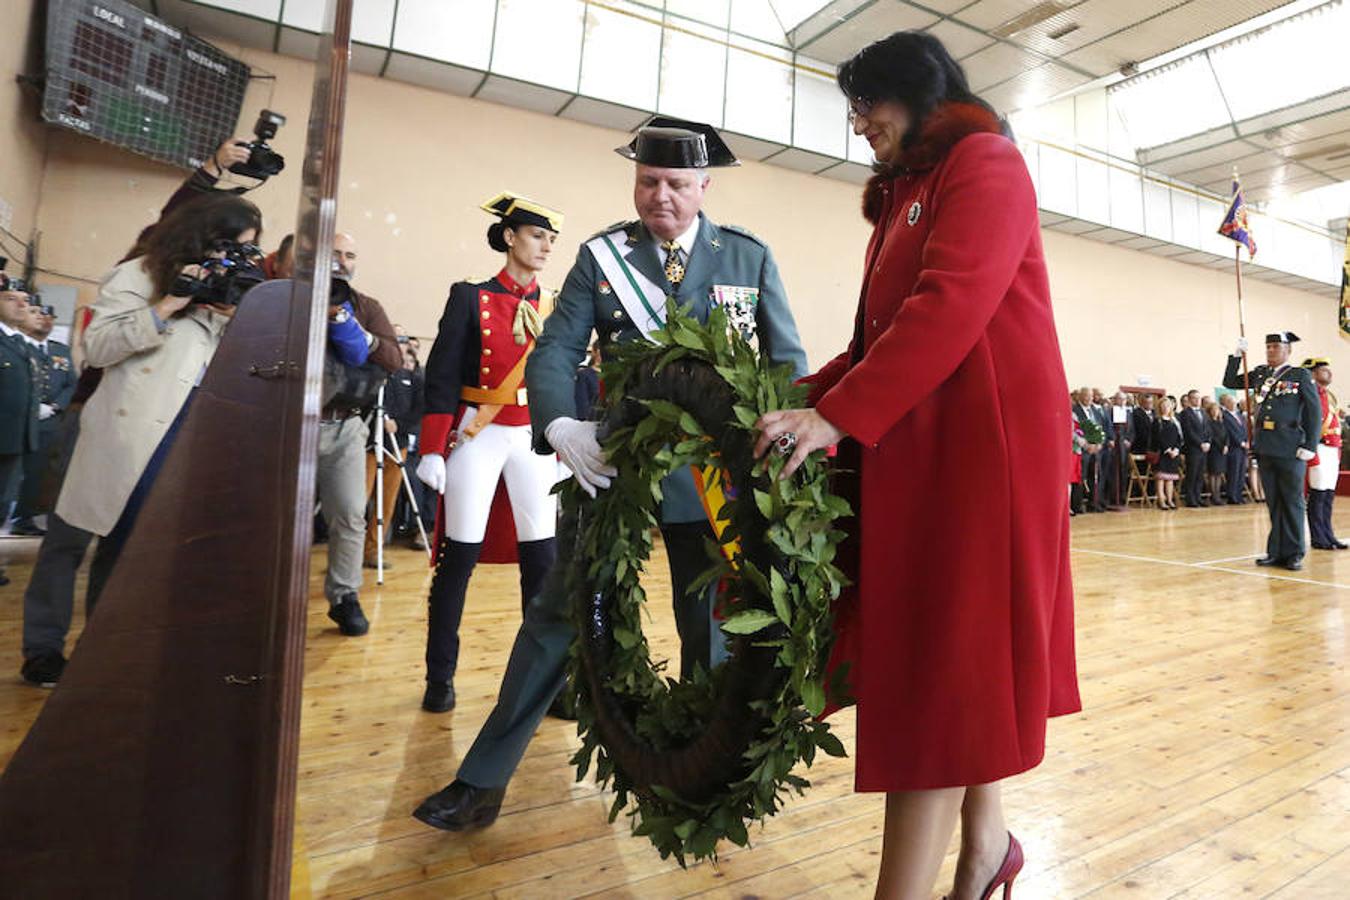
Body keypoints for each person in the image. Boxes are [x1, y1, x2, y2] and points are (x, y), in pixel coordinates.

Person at [750, 32, 1079, 899]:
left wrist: (836, 417)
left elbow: (950, 304)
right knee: (955, 672)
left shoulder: (986, 163)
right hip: (932, 446)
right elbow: (875, 342)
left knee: (939, 684)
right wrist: (794, 398)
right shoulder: (908, 192)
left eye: (869, 104)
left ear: (918, 93)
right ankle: (988, 849)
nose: (858, 124)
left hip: (984, 459)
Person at [412, 116, 808, 832]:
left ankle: (695, 772)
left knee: (709, 628)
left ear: (704, 187)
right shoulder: (602, 257)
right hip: (612, 467)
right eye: (649, 182)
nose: (662, 197)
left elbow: (786, 365)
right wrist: (561, 423)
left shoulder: (747, 258)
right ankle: (482, 780)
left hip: (712, 480)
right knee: (556, 613)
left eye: (678, 185)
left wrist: (779, 459)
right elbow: (556, 350)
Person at [45, 194, 261, 656]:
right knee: (88, 542)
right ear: (207, 237)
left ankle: (105, 656)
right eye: (233, 247)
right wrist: (166, 306)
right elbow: (98, 349)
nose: (233, 261)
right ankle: (58, 651)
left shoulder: (226, 296)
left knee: (137, 553)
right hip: (127, 432)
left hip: (187, 434)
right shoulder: (142, 274)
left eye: (246, 251)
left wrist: (234, 318)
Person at [412, 192, 566, 713]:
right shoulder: (467, 297)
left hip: (534, 439)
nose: (546, 246)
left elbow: (568, 376)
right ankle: (440, 677)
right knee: (458, 559)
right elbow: (441, 376)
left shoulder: (556, 305)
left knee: (543, 563)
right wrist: (433, 448)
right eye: (537, 235)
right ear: (509, 237)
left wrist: (570, 437)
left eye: (551, 239)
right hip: (477, 436)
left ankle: (543, 684)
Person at [315, 232, 403, 635]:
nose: (342, 261)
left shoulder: (367, 307)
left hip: (346, 423)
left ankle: (344, 596)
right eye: (334, 253)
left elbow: (393, 357)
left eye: (350, 254)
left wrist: (353, 329)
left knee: (351, 512)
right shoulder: (290, 298)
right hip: (288, 424)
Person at [1224, 332, 1320, 570]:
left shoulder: (1300, 375)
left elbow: (1313, 412)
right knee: (1274, 502)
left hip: (1291, 448)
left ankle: (1295, 552)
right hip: (1266, 447)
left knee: (1293, 501)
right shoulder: (1260, 374)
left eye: (1276, 347)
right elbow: (1229, 382)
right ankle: (1276, 551)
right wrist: (1236, 356)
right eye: (1268, 347)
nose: (1270, 351)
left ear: (1288, 350)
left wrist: (1309, 446)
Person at [10, 303, 78, 535]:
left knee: (37, 472)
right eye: (38, 314)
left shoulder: (60, 350)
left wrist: (54, 406)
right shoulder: (15, 346)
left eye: (50, 316)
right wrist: (32, 406)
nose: (45, 319)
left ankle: (24, 517)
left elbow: (71, 384)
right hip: (17, 419)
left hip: (49, 421)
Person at [0, 283, 40, 587]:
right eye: (11, 299)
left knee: (3, 503)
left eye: (25, 301)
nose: (21, 305)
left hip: (14, 438)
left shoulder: (22, 344)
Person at [1302, 356, 1346, 550]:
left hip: (1331, 448)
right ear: (1312, 373)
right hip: (1318, 446)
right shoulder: (1309, 393)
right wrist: (1312, 453)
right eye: (1323, 369)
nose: (1329, 372)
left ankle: (1328, 534)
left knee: (1328, 494)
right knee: (1318, 494)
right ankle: (1318, 537)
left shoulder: (1329, 395)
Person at [1178, 390, 1210, 507]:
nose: (1197, 400)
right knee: (1192, 474)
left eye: (1198, 398)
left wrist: (1208, 442)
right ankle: (1190, 499)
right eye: (1194, 398)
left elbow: (1208, 429)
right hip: (1193, 448)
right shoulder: (1186, 413)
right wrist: (1200, 443)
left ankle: (1198, 497)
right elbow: (1188, 431)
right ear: (1190, 399)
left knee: (1200, 474)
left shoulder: (1203, 412)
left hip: (1204, 448)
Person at [1152, 397, 1183, 510]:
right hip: (1162, 454)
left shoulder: (1174, 421)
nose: (1166, 408)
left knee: (1170, 479)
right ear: (1160, 408)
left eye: (1168, 406)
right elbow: (1157, 438)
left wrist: (1176, 449)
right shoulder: (1157, 421)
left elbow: (1179, 438)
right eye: (1163, 406)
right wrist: (1167, 449)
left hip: (1173, 454)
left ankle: (1170, 500)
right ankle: (1162, 501)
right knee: (1161, 479)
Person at [1219, 393, 1249, 504]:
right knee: (1233, 472)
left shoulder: (1239, 415)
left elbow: (1244, 429)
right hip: (1234, 448)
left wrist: (1247, 441)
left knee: (1241, 472)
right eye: (1230, 401)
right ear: (1225, 403)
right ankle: (1232, 496)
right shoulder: (1224, 415)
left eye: (1233, 401)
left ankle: (1239, 495)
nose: (1233, 403)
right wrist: (1240, 442)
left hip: (1243, 448)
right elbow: (1229, 432)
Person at [1204, 400, 1229, 504]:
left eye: (1217, 410)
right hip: (1214, 451)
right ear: (1210, 411)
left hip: (1222, 451)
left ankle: (1218, 495)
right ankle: (1214, 496)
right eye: (1213, 410)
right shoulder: (1208, 423)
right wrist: (1220, 446)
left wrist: (1226, 445)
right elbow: (1212, 437)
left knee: (1219, 474)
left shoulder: (1221, 422)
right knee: (1213, 474)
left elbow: (1227, 435)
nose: (1215, 412)